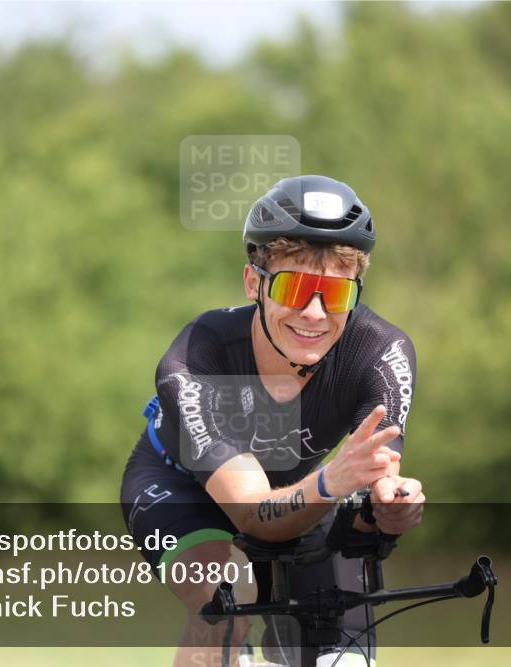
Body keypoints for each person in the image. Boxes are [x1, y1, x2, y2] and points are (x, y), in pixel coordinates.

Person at [120, 175, 425, 666]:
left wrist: (388, 505)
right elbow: (251, 514)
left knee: (341, 648)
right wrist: (332, 482)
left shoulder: (381, 353)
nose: (315, 312)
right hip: (179, 490)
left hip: (301, 490)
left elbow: (375, 482)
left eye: (336, 293)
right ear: (253, 283)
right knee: (229, 604)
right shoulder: (200, 353)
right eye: (296, 287)